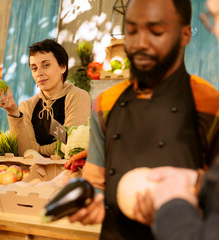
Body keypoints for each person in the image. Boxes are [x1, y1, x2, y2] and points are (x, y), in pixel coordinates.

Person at [68, 0, 219, 239]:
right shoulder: (105, 103)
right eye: (131, 31)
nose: (140, 44)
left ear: (185, 35)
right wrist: (91, 201)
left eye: (156, 32)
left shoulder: (210, 103)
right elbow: (96, 181)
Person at [146, 0, 219, 239]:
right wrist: (199, 180)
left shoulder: (208, 100)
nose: (216, 31)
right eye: (213, 18)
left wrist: (173, 204)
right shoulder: (111, 101)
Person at [0, 39, 91, 157]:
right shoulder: (27, 106)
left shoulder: (77, 97)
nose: (39, 73)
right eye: (34, 68)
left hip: (67, 170)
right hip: (34, 173)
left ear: (62, 67)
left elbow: (70, 144)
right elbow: (25, 153)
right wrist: (13, 113)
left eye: (46, 65)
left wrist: (36, 150)